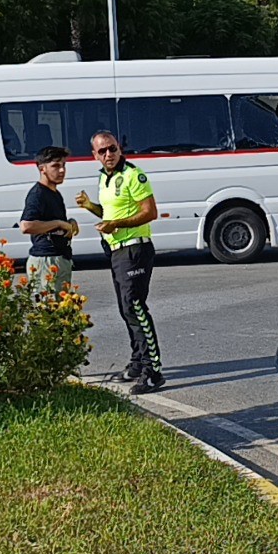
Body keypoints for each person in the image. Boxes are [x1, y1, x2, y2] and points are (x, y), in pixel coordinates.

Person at [75, 131, 164, 395]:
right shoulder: (105, 177)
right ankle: (137, 362)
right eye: (101, 151)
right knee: (126, 309)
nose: (108, 155)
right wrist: (90, 206)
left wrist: (117, 224)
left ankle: (153, 371)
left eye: (112, 149)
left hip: (135, 249)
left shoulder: (133, 175)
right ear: (95, 155)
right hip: (115, 251)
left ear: (119, 148)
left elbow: (150, 212)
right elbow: (110, 213)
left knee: (136, 308)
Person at [18, 146, 79, 293]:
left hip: (59, 257)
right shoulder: (37, 194)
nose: (62, 170)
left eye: (64, 165)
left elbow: (53, 220)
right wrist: (58, 224)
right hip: (45, 260)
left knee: (61, 310)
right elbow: (26, 226)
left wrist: (69, 223)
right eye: (56, 166)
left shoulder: (54, 193)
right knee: (48, 311)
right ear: (42, 168)